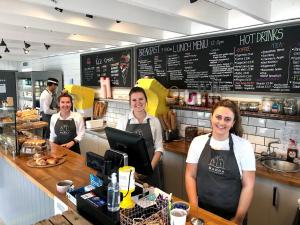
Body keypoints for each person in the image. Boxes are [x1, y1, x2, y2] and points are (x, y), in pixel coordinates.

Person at [185, 99, 255, 225]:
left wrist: (238, 219)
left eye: (227, 119)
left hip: (231, 216)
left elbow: (248, 186)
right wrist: (195, 208)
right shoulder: (197, 142)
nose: (222, 122)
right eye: (218, 117)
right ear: (211, 118)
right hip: (202, 212)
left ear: (233, 123)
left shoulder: (244, 146)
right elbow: (190, 175)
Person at [116, 86, 164, 189]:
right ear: (130, 102)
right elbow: (118, 149)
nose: (138, 102)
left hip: (152, 170)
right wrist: (130, 170)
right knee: (131, 200)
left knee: (152, 201)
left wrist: (149, 169)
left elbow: (159, 148)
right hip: (130, 172)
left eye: (141, 99)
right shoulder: (123, 121)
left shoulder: (154, 121)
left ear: (146, 100)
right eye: (134, 100)